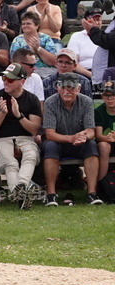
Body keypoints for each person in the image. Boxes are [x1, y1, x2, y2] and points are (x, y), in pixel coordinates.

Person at [0, 63, 42, 210]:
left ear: (22, 81)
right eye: (4, 78)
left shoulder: (32, 99)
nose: (5, 82)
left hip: (25, 138)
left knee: (30, 155)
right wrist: (2, 113)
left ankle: (20, 187)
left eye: (10, 79)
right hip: (1, 139)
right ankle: (23, 190)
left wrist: (19, 115)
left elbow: (35, 130)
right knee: (10, 163)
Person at [42, 73, 99, 206]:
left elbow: (91, 131)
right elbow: (50, 134)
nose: (67, 91)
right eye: (63, 87)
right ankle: (51, 194)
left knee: (91, 145)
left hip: (80, 142)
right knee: (50, 146)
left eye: (71, 88)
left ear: (78, 89)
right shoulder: (50, 102)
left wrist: (83, 137)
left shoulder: (87, 101)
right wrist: (71, 138)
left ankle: (92, 193)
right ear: (57, 88)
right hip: (59, 142)